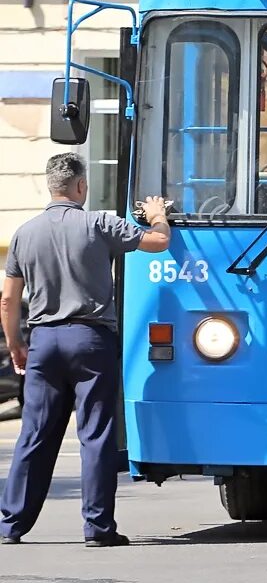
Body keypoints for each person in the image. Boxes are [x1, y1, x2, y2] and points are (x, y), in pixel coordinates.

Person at [1, 153, 171, 547]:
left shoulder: (25, 233)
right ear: (80, 187)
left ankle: (11, 525)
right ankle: (97, 528)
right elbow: (159, 243)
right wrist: (157, 213)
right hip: (91, 341)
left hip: (44, 342)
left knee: (35, 435)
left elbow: (8, 301)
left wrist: (17, 347)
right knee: (94, 434)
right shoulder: (99, 224)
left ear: (51, 186)